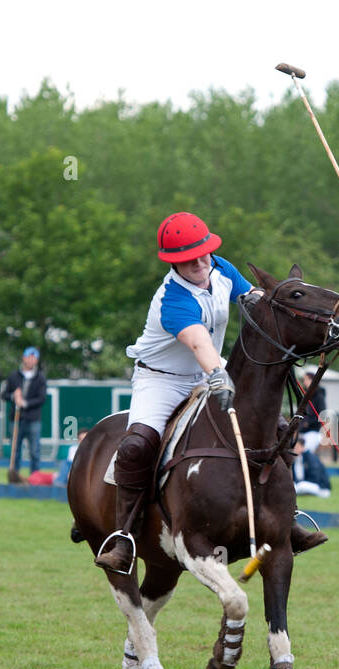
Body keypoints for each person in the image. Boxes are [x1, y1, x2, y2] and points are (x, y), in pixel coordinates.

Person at [94, 212, 250, 572]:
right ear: (173, 262)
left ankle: (285, 517)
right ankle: (124, 538)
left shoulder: (221, 268)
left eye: (203, 254)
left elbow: (252, 300)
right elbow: (198, 342)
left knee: (267, 422)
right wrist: (220, 376)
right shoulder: (172, 299)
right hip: (162, 381)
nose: (199, 263)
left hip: (208, 369)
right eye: (188, 259)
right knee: (137, 446)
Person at [2, 347, 46, 474]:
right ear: (24, 358)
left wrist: (25, 403)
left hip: (33, 420)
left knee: (34, 451)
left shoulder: (40, 378)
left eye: (34, 357)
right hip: (16, 419)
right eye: (29, 357)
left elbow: (41, 399)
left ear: (36, 360)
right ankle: (14, 476)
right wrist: (13, 397)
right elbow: (4, 395)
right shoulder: (14, 376)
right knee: (15, 450)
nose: (31, 360)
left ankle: (35, 477)